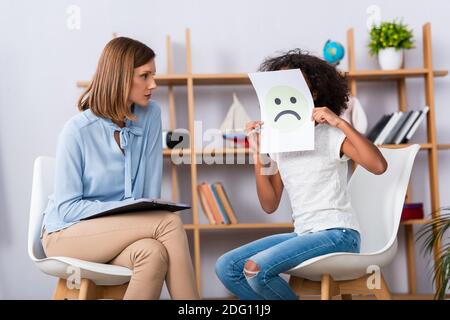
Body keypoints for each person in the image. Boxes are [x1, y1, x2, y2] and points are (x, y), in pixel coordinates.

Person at [215, 49, 388, 300]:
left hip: (338, 233)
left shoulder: (331, 135)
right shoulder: (278, 141)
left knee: (255, 270)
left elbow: (378, 166)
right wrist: (258, 153)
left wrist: (339, 122)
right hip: (304, 233)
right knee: (227, 267)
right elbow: (270, 203)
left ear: (314, 92)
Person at [41, 37, 199, 300]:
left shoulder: (150, 115)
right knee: (169, 223)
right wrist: (121, 214)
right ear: (120, 77)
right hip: (65, 234)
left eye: (154, 75)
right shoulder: (77, 131)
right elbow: (67, 209)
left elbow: (149, 195)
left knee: (153, 253)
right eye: (145, 76)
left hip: (117, 235)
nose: (153, 84)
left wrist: (136, 215)